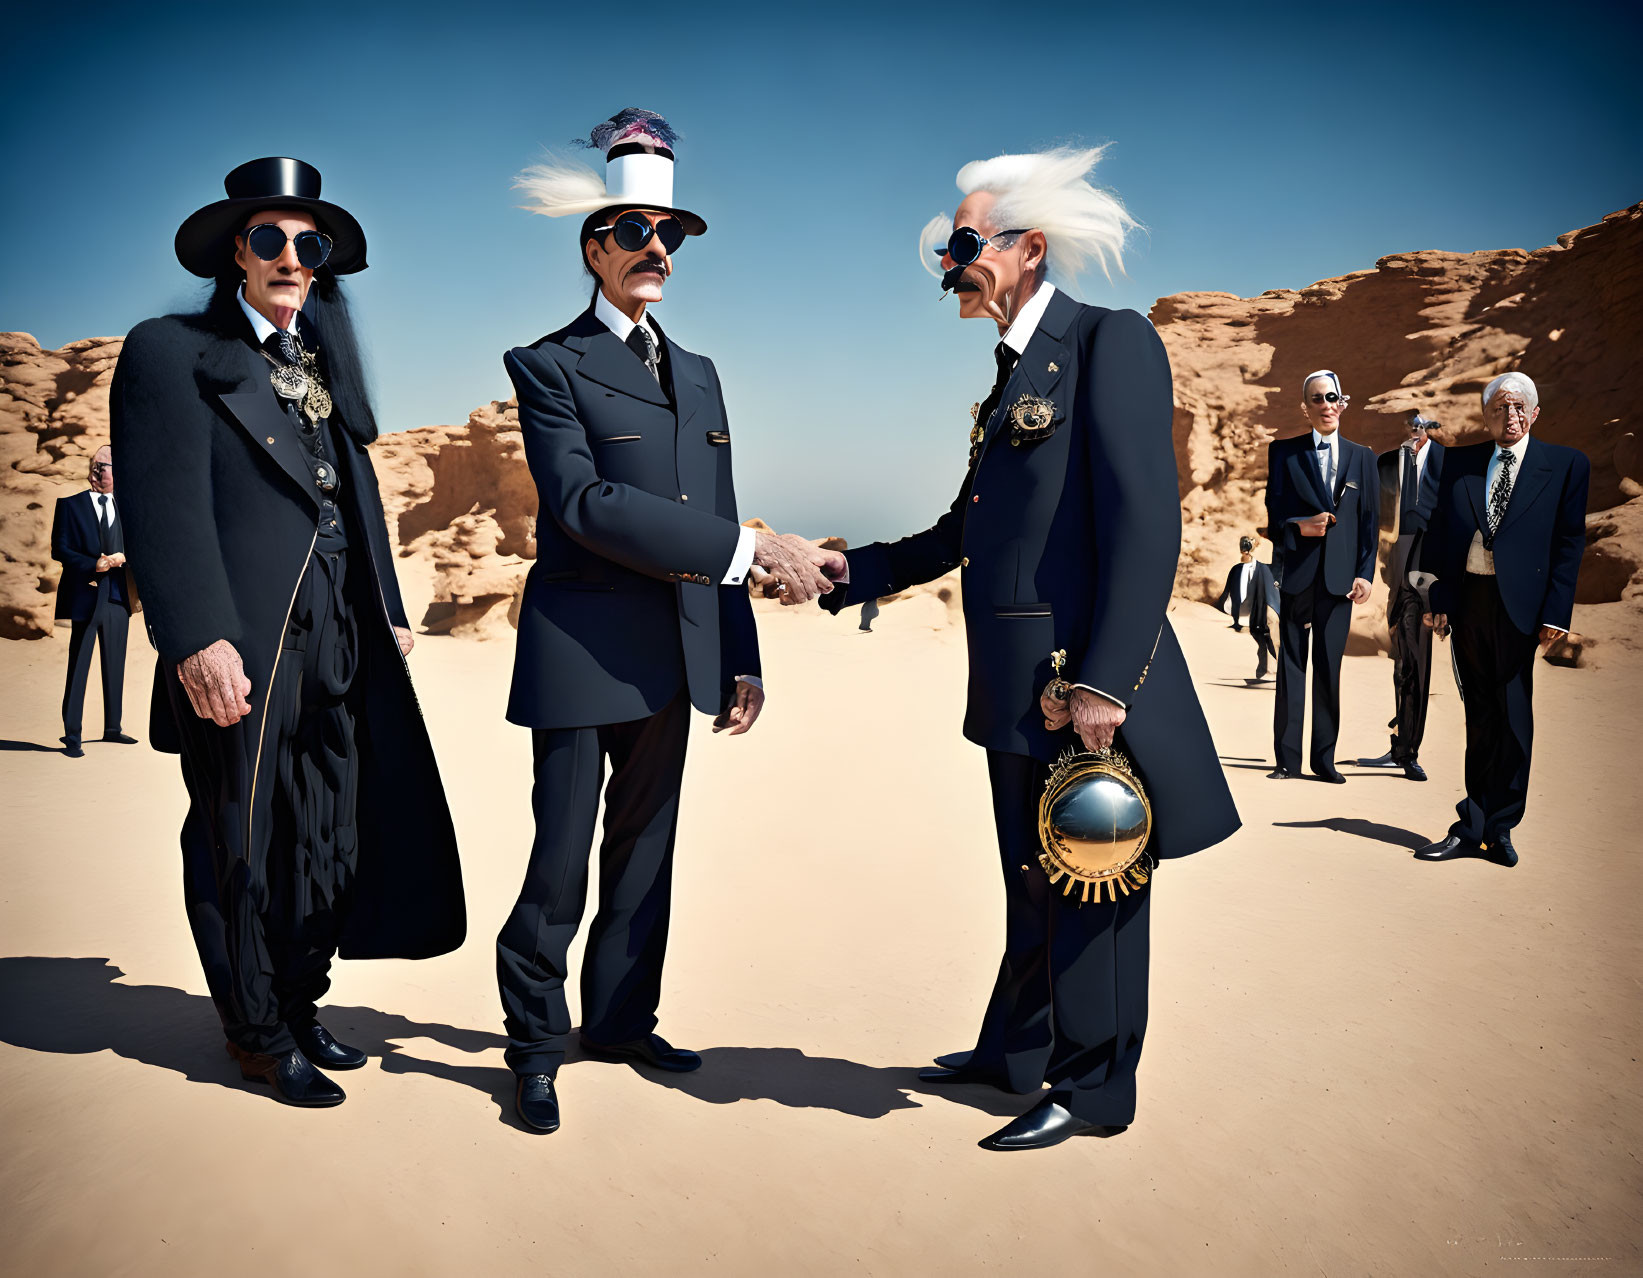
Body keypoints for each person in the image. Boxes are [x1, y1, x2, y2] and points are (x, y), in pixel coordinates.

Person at [810, 145, 1239, 1150]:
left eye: (961, 245)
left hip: (1077, 685)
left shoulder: (1107, 342)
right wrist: (847, 572)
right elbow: (967, 531)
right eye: (944, 247)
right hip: (1011, 687)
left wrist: (1101, 683)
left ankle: (1090, 1090)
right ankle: (1015, 1052)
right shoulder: (1011, 378)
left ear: (1026, 247)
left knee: (1094, 872)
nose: (947, 266)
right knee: (1030, 875)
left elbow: (1145, 525)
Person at [499, 109, 837, 1135]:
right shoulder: (546, 365)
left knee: (645, 853)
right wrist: (749, 552)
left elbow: (715, 518)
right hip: (578, 652)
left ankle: (621, 1022)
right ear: (593, 247)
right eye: (634, 234)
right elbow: (585, 506)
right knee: (559, 861)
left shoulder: (699, 374)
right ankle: (535, 1048)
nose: (656, 252)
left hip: (678, 652)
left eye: (670, 236)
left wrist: (739, 648)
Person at [110, 157, 464, 1107]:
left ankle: (302, 999)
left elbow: (357, 498)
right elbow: (161, 509)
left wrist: (386, 607)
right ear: (237, 249)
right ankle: (258, 1031)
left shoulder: (324, 363)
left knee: (329, 830)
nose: (292, 258)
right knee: (242, 834)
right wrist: (195, 637)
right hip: (247, 638)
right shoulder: (169, 350)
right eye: (271, 239)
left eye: (310, 246)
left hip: (341, 631)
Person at [1414, 373, 1587, 867]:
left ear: (1534, 414)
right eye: (1498, 408)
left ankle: (1502, 826)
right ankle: (1471, 826)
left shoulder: (1566, 465)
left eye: (1518, 408)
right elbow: (1442, 533)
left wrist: (1556, 612)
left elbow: (1569, 543)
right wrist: (1438, 597)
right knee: (1480, 716)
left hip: (1521, 608)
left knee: (1513, 718)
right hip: (1469, 601)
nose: (1508, 417)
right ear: (1484, 415)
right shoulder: (1460, 461)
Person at [1263, 371, 1379, 782]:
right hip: (1298, 575)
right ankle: (1286, 761)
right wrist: (1297, 525)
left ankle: (1324, 760)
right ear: (1306, 407)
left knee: (1329, 669)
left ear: (1343, 403)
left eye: (1333, 397)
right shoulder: (1283, 453)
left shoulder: (1363, 457)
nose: (1327, 405)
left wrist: (1365, 574)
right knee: (1291, 666)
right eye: (1318, 399)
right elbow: (1273, 521)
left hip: (1340, 583)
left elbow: (1370, 524)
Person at [1357, 412, 1446, 780]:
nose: (1416, 429)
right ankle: (1399, 745)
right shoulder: (1385, 464)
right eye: (1411, 423)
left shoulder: (1447, 463)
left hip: (1430, 567)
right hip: (1395, 566)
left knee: (1419, 664)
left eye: (1424, 423)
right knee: (1401, 663)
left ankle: (1410, 751)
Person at [51, 446, 138, 756]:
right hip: (86, 598)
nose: (103, 470)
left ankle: (113, 728)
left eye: (109, 465)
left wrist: (125, 557)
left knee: (115, 664)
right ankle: (72, 735)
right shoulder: (70, 506)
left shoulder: (127, 508)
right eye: (101, 464)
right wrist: (93, 564)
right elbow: (59, 549)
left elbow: (140, 547)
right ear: (94, 469)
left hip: (117, 599)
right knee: (79, 666)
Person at [1214, 534, 1279, 682]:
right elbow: (1230, 590)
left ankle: (1277, 671)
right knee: (1260, 636)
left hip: (1268, 609)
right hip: (1256, 610)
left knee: (1273, 640)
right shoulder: (1238, 569)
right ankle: (1266, 668)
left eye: (1248, 547)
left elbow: (1272, 588)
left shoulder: (1264, 568)